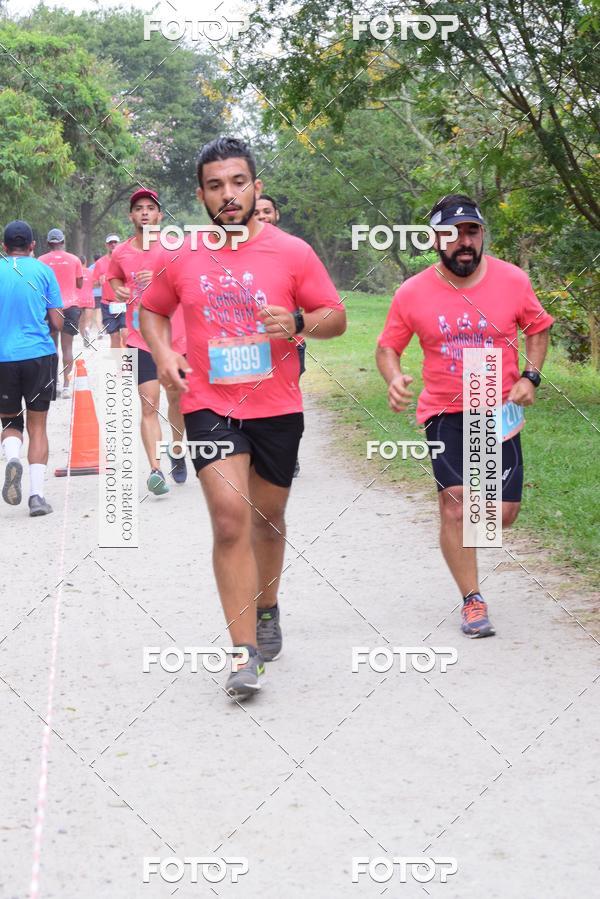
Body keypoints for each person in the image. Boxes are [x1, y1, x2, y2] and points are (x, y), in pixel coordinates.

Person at [140, 137, 346, 699]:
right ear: (202, 193)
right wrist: (162, 354)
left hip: (277, 406)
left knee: (268, 519)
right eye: (214, 185)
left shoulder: (292, 252)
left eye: (237, 182)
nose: (227, 195)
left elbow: (336, 317)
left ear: (255, 187)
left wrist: (301, 320)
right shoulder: (180, 252)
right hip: (209, 403)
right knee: (231, 518)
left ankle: (268, 606)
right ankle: (243, 654)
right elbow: (152, 311)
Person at [376, 194, 554, 638]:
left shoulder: (512, 280)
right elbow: (387, 348)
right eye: (452, 233)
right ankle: (472, 599)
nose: (463, 242)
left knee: (501, 514)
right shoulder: (412, 292)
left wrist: (530, 376)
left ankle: (468, 540)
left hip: (495, 405)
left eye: (471, 231)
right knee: (455, 505)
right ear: (435, 239)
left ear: (481, 235)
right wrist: (394, 377)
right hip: (444, 410)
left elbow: (538, 326)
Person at [107, 188, 188, 495]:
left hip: (174, 339)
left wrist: (160, 278)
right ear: (131, 215)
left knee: (177, 402)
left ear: (159, 215)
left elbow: (188, 283)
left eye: (149, 208)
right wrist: (120, 289)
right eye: (138, 208)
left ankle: (177, 451)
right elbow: (113, 277)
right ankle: (155, 470)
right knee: (148, 405)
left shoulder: (174, 247)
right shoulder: (121, 252)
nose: (144, 212)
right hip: (141, 340)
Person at [0, 221, 63, 516]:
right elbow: (58, 322)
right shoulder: (43, 271)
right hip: (39, 355)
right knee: (38, 427)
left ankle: (12, 457)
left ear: (4, 246)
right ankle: (37, 497)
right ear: (33, 246)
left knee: (10, 423)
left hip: (3, 358)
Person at [254, 192, 304, 477]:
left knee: (288, 398)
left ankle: (289, 453)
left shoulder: (292, 250)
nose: (263, 217)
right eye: (257, 212)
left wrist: (296, 322)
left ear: (277, 215)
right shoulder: (241, 251)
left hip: (290, 340)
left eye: (267, 211)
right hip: (255, 342)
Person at [38, 229, 83, 399]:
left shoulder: (41, 261)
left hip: (49, 308)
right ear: (63, 242)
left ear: (49, 243)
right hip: (70, 306)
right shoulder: (74, 259)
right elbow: (79, 284)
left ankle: (53, 384)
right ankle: (66, 386)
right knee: (68, 347)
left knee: (51, 347)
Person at [94, 235, 126, 348]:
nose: (113, 245)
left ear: (119, 244)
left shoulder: (125, 260)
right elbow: (93, 284)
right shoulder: (100, 262)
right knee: (115, 336)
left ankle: (130, 364)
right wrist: (99, 281)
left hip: (124, 303)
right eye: (110, 243)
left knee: (126, 334)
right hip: (108, 304)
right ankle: (119, 365)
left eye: (115, 242)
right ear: (106, 245)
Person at [77, 254, 96, 346]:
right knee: (89, 320)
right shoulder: (91, 272)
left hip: (78, 299)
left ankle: (84, 338)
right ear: (85, 262)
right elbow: (96, 284)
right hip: (89, 298)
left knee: (81, 321)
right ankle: (87, 329)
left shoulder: (74, 273)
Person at [88, 253, 103, 339]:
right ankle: (100, 330)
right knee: (98, 314)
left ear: (94, 259)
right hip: (102, 294)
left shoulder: (90, 269)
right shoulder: (103, 267)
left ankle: (87, 331)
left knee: (91, 315)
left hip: (92, 294)